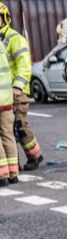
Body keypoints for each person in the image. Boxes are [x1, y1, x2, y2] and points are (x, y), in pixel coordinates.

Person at [0, 2, 44, 171]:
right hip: (4, 94)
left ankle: (35, 155)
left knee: (19, 126)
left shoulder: (14, 38)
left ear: (5, 19)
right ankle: (13, 162)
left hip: (17, 92)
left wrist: (18, 87)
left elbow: (24, 65)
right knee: (8, 129)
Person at [0, 36, 16, 186]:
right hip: (6, 98)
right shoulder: (1, 44)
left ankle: (2, 175)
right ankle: (13, 173)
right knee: (7, 135)